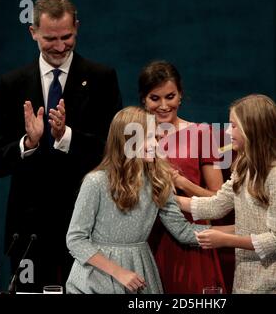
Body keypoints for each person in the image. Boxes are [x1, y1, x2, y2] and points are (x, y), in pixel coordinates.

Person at [0, 0, 122, 292]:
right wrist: (27, 142)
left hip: (88, 223)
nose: (60, 47)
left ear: (78, 28)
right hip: (28, 228)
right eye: (50, 38)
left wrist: (66, 137)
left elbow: (114, 153)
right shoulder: (11, 84)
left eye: (67, 37)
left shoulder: (102, 79)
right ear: (32, 32)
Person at [65, 106, 210, 294]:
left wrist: (237, 232)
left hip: (140, 272)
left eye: (156, 138)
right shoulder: (96, 182)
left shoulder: (157, 182)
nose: (156, 145)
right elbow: (76, 239)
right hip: (96, 278)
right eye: (149, 138)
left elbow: (183, 231)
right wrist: (119, 272)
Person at [177, 94, 276, 293]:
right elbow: (216, 204)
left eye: (234, 126)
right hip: (247, 279)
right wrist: (168, 200)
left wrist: (225, 240)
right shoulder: (243, 168)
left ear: (252, 129)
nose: (228, 132)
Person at [138, 60, 227, 293]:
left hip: (190, 236)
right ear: (143, 100)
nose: (164, 105)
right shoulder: (133, 136)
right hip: (144, 238)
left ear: (180, 96)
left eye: (170, 96)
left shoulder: (203, 133)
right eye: (154, 98)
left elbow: (218, 200)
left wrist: (181, 182)